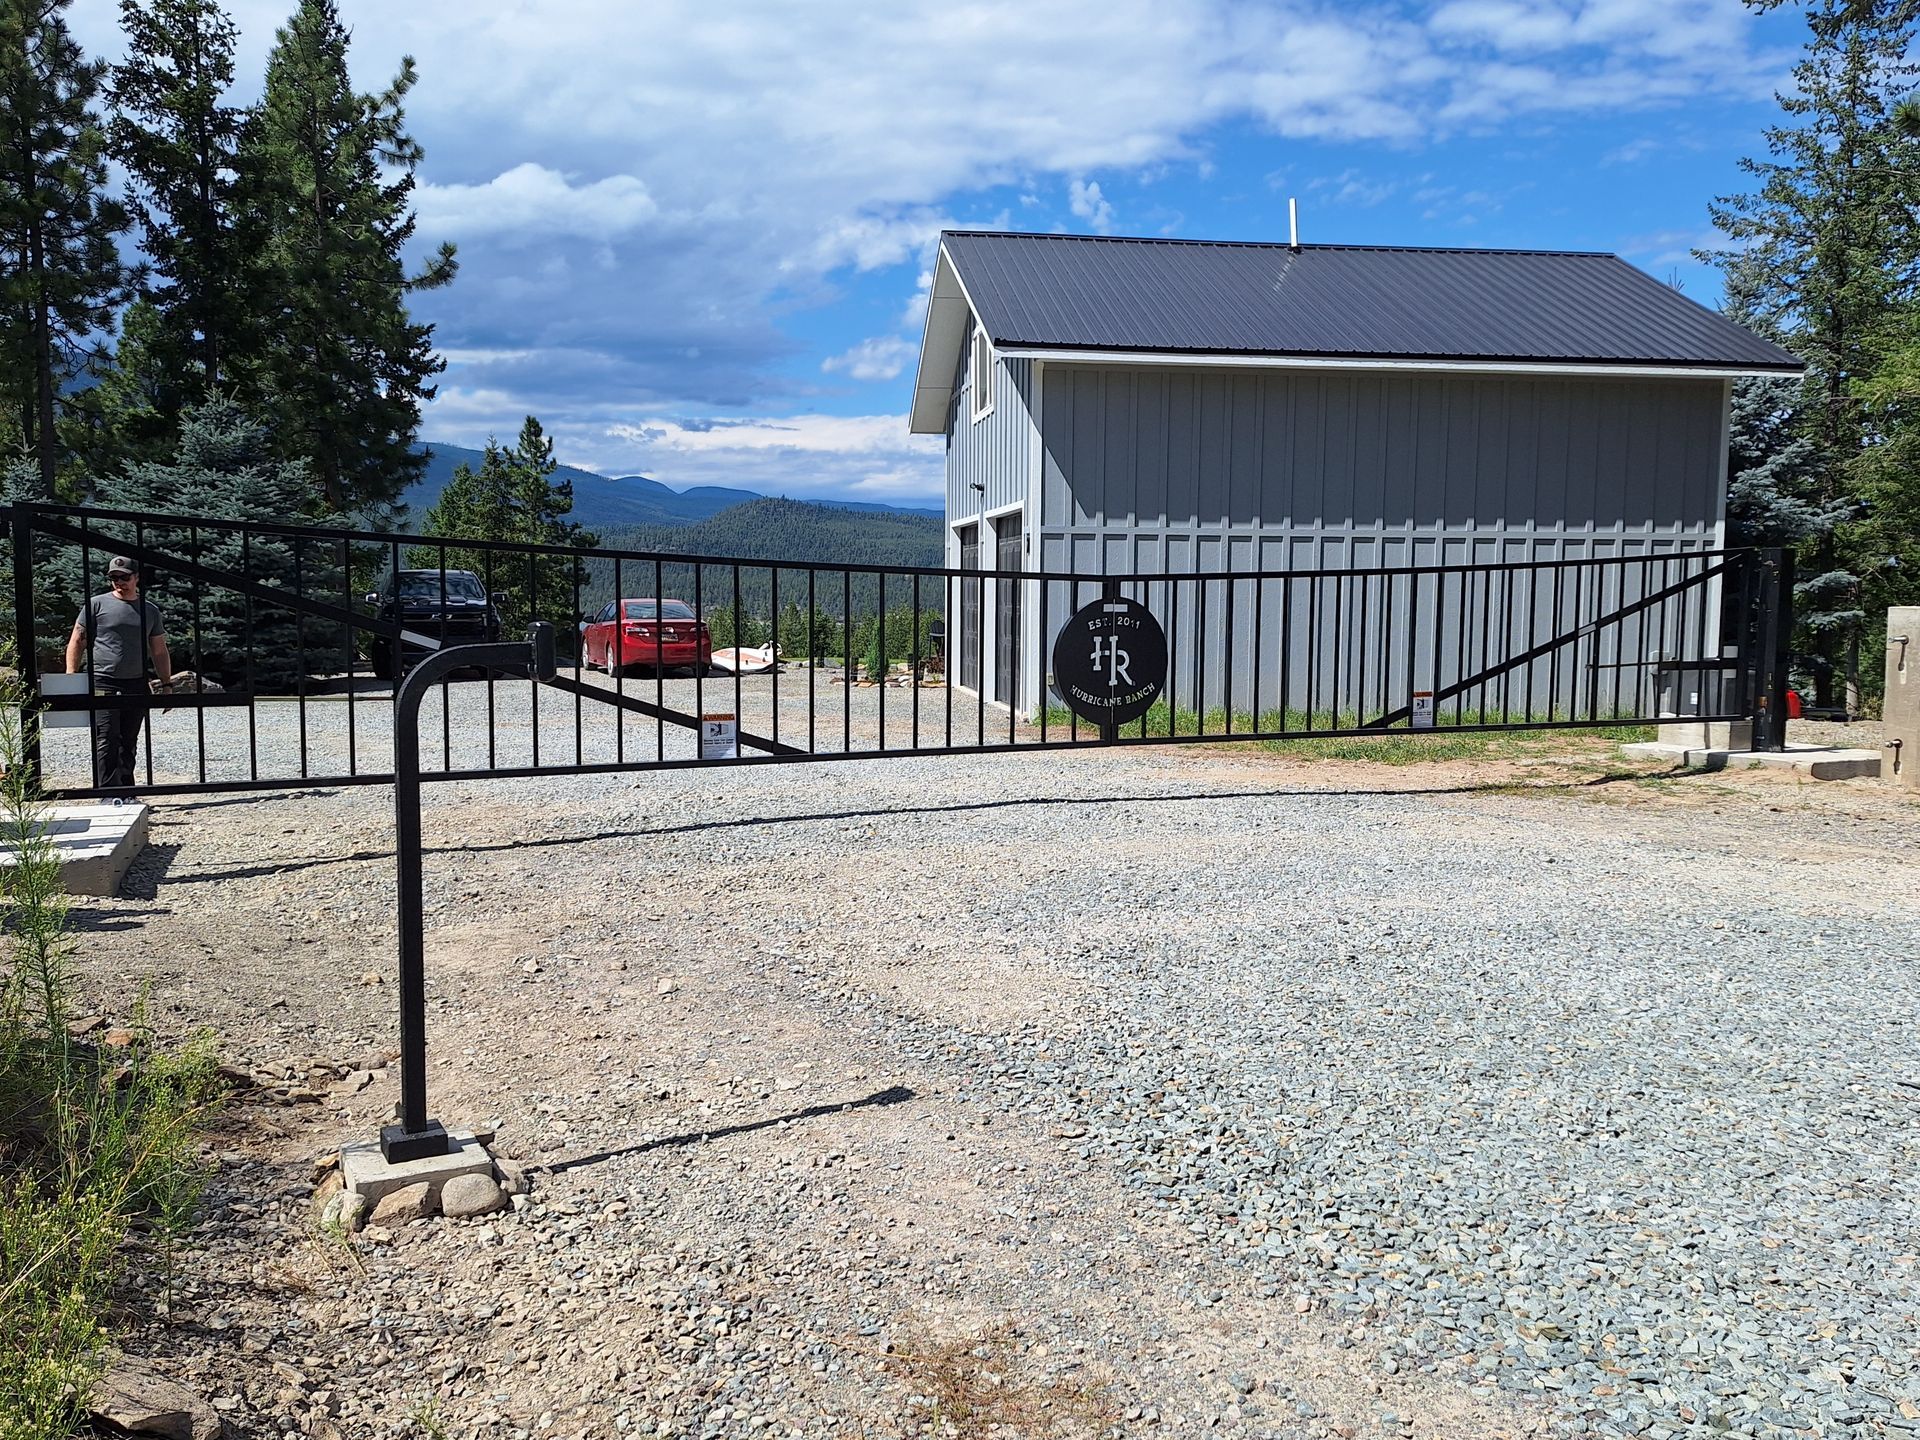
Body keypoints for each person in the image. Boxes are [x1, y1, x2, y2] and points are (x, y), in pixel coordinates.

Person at [66, 556, 172, 797]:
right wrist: (71, 678)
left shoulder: (149, 610)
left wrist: (166, 684)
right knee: (106, 737)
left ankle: (125, 790)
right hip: (103, 680)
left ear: (136, 578)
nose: (119, 582)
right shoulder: (95, 605)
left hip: (136, 682)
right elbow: (77, 641)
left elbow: (159, 649)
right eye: (114, 578)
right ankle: (108, 792)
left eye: (124, 577)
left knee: (129, 739)